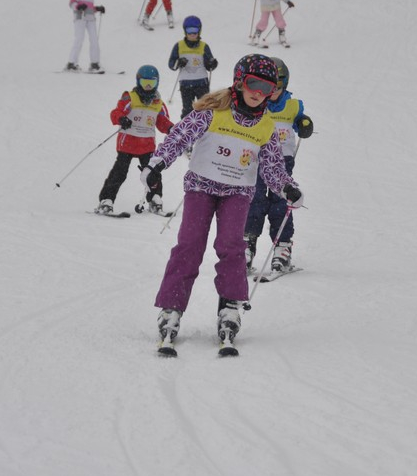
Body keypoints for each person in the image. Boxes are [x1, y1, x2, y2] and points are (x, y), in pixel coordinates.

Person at [143, 54, 303, 352]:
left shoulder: (265, 126)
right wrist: (157, 163)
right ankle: (171, 308)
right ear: (240, 81)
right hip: (201, 188)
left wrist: (287, 187)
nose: (259, 93)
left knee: (232, 246)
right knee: (190, 244)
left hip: (238, 192)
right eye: (254, 84)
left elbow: (272, 167)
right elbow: (179, 136)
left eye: (267, 88)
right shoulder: (213, 113)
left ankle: (230, 307)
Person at [244, 57, 313, 273]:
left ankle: (282, 247)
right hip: (257, 159)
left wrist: (304, 123)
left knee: (280, 203)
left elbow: (300, 119)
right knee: (254, 201)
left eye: (277, 87)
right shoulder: (256, 103)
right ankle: (247, 244)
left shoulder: (292, 105)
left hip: (283, 162)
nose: (272, 92)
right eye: (269, 86)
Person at [96, 65, 174, 216]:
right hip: (128, 144)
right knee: (119, 173)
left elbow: (162, 121)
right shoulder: (130, 97)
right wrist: (122, 119)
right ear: (138, 81)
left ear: (157, 83)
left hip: (147, 145)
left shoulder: (158, 103)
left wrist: (171, 128)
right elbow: (116, 112)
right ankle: (106, 200)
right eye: (145, 83)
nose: (148, 87)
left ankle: (155, 200)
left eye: (151, 83)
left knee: (152, 174)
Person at [168, 15, 219, 120]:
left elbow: (208, 65)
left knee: (205, 108)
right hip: (186, 84)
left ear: (199, 31)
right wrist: (179, 62)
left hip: (201, 83)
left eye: (195, 31)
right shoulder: (179, 46)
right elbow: (171, 64)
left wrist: (212, 64)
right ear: (185, 31)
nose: (192, 34)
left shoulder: (204, 46)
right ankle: (186, 128)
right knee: (187, 110)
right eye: (189, 31)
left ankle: (205, 127)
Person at [65, 0, 106, 73]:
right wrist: (78, 6)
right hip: (80, 17)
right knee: (79, 39)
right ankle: (71, 64)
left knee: (94, 40)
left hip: (90, 18)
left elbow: (89, 7)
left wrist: (97, 8)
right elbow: (72, 2)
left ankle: (94, 64)